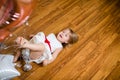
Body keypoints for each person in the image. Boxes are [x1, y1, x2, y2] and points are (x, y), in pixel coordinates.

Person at [13, 28, 79, 66]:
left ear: (66, 42)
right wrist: (35, 36)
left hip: (35, 54)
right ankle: (17, 56)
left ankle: (24, 45)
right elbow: (42, 39)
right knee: (20, 39)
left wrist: (47, 62)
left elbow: (53, 57)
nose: (62, 33)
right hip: (32, 46)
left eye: (66, 35)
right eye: (63, 31)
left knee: (42, 46)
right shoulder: (52, 35)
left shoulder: (59, 47)